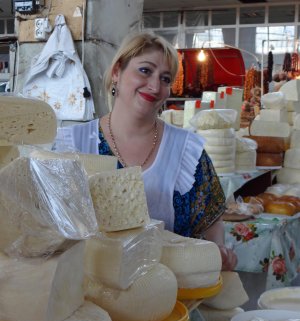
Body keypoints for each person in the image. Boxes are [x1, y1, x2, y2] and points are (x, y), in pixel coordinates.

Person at [98, 31, 237, 271]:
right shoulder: (75, 143)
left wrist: (221, 254)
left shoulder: (187, 151)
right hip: (93, 299)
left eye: (165, 78)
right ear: (117, 72)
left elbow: (212, 225)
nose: (154, 86)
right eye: (145, 70)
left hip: (172, 299)